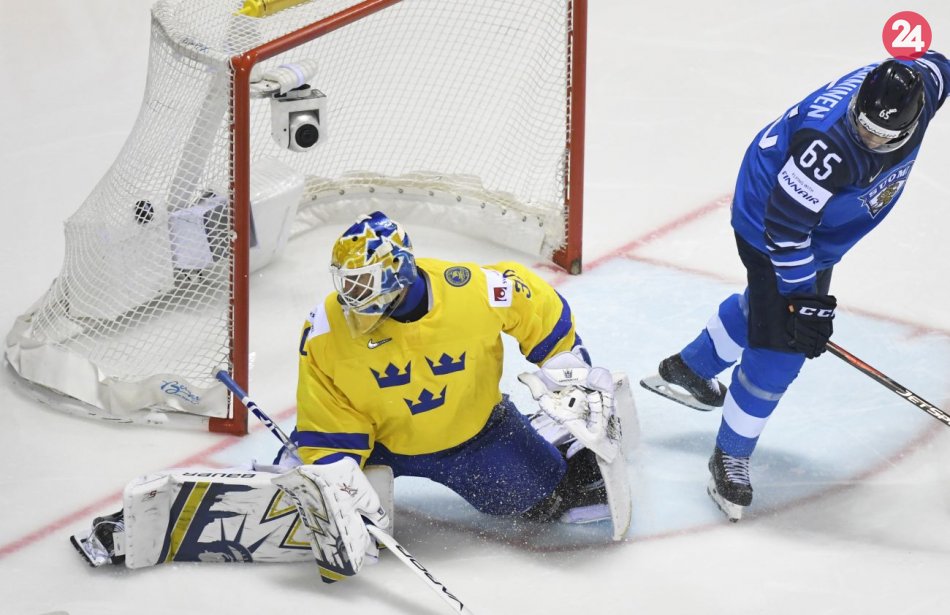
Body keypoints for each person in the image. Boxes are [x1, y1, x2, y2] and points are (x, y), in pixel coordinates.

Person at [71, 211, 632, 575]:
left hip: (476, 436)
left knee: (542, 503)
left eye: (363, 284)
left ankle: (557, 445)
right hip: (375, 444)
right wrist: (333, 470)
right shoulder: (326, 330)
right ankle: (182, 514)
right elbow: (327, 408)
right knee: (308, 503)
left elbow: (535, 303)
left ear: (399, 273)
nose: (350, 298)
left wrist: (567, 369)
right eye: (346, 284)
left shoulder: (473, 290)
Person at [640, 51, 950, 522]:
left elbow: (940, 64)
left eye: (881, 136)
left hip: (817, 226)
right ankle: (730, 455)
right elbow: (784, 232)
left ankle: (688, 368)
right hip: (769, 221)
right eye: (864, 127)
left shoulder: (926, 83)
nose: (868, 138)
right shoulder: (827, 149)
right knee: (781, 347)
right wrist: (804, 302)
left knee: (767, 312)